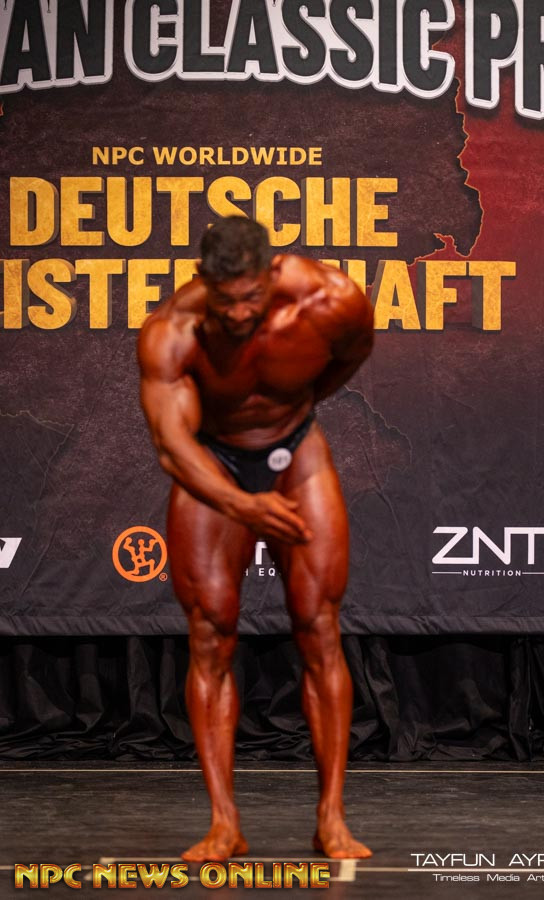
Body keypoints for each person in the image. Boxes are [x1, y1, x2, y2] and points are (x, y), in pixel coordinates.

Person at [138, 216, 374, 861]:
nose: (239, 313)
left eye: (250, 298)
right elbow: (172, 447)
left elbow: (352, 352)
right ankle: (224, 824)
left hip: (296, 450)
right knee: (211, 633)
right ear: (202, 281)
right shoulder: (172, 331)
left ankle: (331, 820)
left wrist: (295, 412)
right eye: (225, 301)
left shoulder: (331, 299)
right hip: (212, 459)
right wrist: (244, 504)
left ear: (272, 274)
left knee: (318, 627)